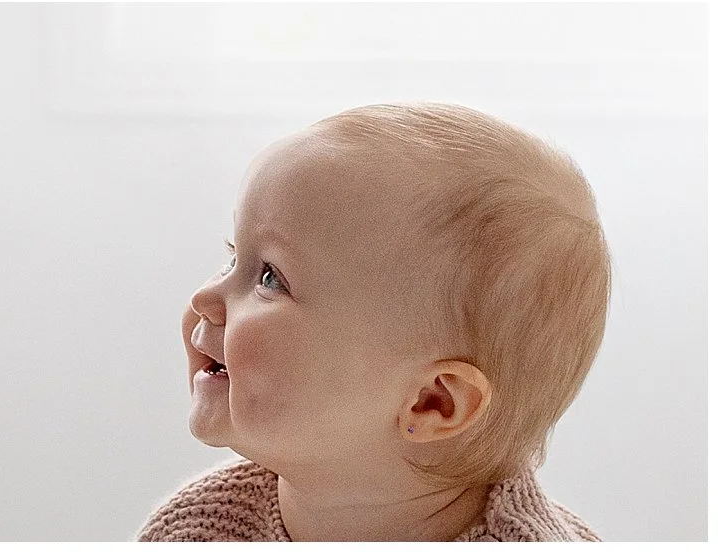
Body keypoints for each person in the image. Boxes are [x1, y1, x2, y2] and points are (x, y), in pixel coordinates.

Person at [139, 103, 609, 541]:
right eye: (232, 257)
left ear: (432, 403)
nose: (205, 298)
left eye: (270, 278)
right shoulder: (197, 528)